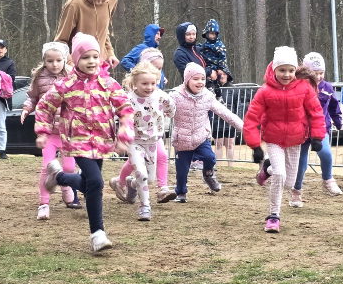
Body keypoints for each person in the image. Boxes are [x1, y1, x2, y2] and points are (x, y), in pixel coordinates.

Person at [36, 33, 134, 253]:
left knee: (89, 183)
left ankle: (59, 176)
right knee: (96, 183)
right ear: (76, 59)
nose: (91, 61)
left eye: (95, 56)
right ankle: (97, 234)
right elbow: (44, 107)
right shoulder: (66, 84)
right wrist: (42, 132)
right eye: (86, 57)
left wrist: (124, 136)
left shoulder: (107, 82)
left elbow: (126, 109)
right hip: (77, 141)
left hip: (101, 141)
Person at [245, 47, 326, 233]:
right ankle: (273, 216)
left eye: (290, 70)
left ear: (295, 70)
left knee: (289, 183)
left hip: (296, 140)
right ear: (274, 69)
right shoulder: (265, 92)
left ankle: (267, 168)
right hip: (273, 139)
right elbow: (251, 119)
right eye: (282, 70)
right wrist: (255, 145)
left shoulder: (304, 88)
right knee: (280, 176)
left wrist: (317, 136)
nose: (286, 75)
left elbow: (316, 112)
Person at [169, 63, 243, 203]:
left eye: (202, 79)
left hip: (200, 137)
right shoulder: (175, 96)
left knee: (210, 157)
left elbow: (224, 113)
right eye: (195, 79)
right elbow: (163, 110)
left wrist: (243, 127)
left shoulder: (208, 96)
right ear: (187, 80)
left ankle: (208, 175)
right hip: (182, 140)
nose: (200, 82)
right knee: (182, 171)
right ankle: (181, 192)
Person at [21, 41, 79, 220]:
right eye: (50, 61)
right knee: (47, 166)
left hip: (68, 132)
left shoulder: (73, 76)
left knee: (69, 167)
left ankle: (66, 188)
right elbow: (32, 98)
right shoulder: (39, 78)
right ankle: (44, 203)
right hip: (47, 132)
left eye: (58, 60)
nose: (54, 65)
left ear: (65, 60)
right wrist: (26, 109)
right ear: (44, 61)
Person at [112, 61, 176, 220]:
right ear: (134, 83)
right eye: (144, 83)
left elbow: (171, 108)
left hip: (153, 142)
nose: (149, 87)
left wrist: (169, 112)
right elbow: (117, 115)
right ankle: (145, 206)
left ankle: (132, 184)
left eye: (153, 83)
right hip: (135, 142)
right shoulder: (129, 99)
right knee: (141, 172)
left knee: (150, 178)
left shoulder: (161, 96)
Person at [54, 0, 121, 68]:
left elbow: (103, 31)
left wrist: (110, 53)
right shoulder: (75, 3)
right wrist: (73, 67)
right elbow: (60, 42)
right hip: (77, 71)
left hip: (100, 68)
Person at [294, 53, 343, 200]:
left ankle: (328, 179)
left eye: (321, 73)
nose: (319, 76)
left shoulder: (327, 87)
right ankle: (296, 189)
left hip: (321, 127)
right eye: (315, 73)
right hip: (302, 130)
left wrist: (337, 119)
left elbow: (334, 105)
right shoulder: (299, 87)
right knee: (301, 163)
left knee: (326, 153)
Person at [210, 70, 239, 166]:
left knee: (230, 144)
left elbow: (236, 105)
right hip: (217, 121)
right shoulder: (213, 87)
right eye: (220, 75)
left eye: (224, 74)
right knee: (218, 144)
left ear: (228, 76)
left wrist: (235, 119)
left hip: (230, 121)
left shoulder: (233, 88)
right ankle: (217, 166)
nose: (222, 76)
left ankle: (231, 166)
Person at [197, 19, 232, 97]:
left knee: (217, 82)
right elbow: (201, 52)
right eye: (211, 33)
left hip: (216, 65)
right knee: (208, 78)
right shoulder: (204, 44)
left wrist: (221, 67)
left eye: (215, 34)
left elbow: (223, 58)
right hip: (207, 65)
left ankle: (217, 96)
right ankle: (210, 91)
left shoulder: (219, 45)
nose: (213, 36)